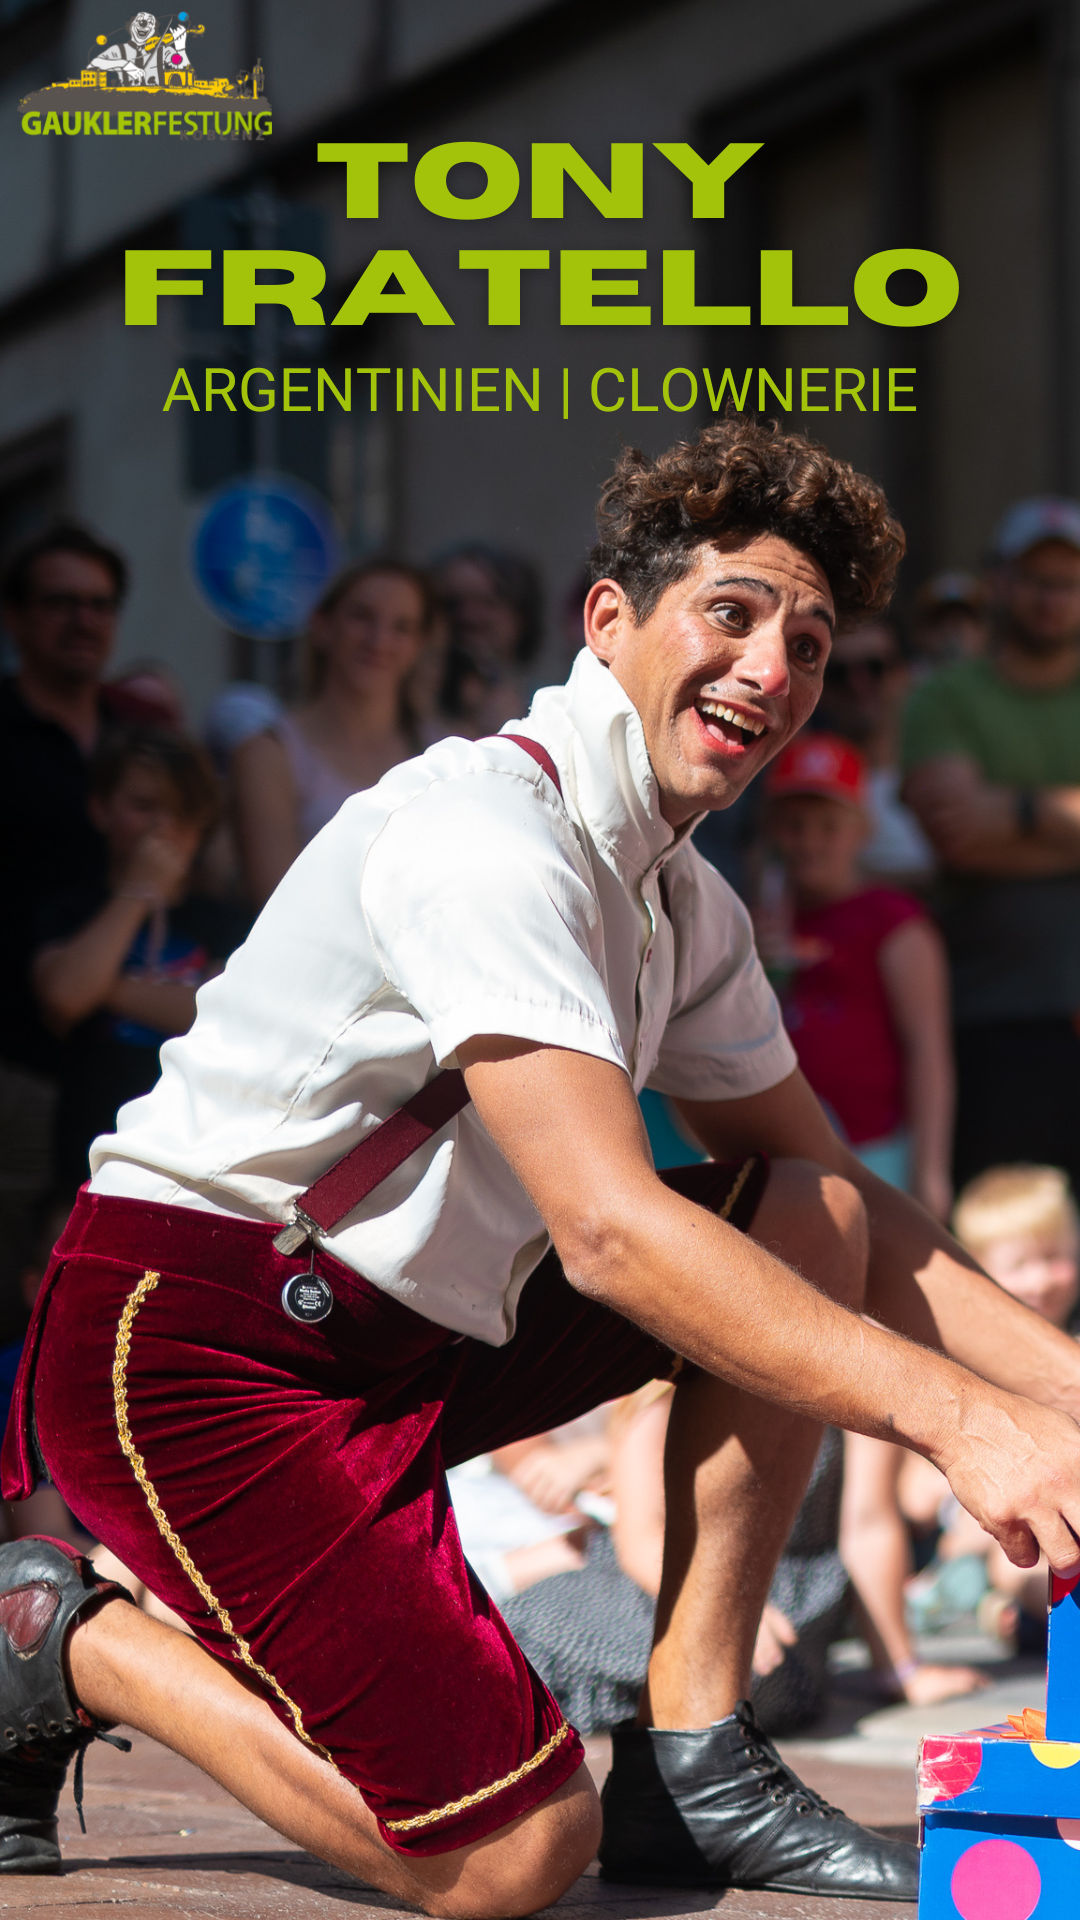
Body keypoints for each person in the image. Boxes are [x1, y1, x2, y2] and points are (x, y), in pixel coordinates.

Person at [10, 424, 1080, 1915]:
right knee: (512, 1856)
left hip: (416, 1333)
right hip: (193, 1346)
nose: (771, 669)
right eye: (732, 613)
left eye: (809, 643)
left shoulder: (682, 899)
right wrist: (965, 1423)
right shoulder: (486, 836)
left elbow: (837, 1197)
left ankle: (694, 1762)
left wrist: (1062, 1396)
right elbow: (611, 1234)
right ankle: (56, 1643)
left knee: (810, 1209)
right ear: (609, 619)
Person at [902, 496, 1080, 1196]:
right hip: (995, 1015)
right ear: (999, 582)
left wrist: (1018, 811)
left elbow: (984, 827)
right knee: (1010, 1231)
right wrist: (1054, 815)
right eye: (1036, 579)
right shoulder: (943, 698)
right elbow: (960, 838)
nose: (1052, 598)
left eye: (1067, 582)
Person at [31, 729, 248, 1194]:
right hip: (83, 1162)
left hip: (193, 1166)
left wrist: (100, 987)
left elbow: (220, 1014)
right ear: (100, 808)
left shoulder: (226, 924)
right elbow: (63, 996)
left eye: (182, 812)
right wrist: (137, 890)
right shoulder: (68, 913)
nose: (162, 827)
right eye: (143, 806)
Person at [761, 732, 953, 1216]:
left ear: (862, 829)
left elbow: (928, 1051)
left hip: (878, 1156)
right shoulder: (756, 922)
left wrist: (930, 1172)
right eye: (794, 825)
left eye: (829, 826)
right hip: (782, 1163)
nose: (810, 842)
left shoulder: (894, 920)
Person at [902, 1165, 1080, 1649]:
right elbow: (914, 1497)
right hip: (985, 1541)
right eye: (1019, 1264)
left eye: (1054, 1257)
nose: (1040, 1279)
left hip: (1058, 1529)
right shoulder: (963, 1372)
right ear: (977, 1274)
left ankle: (1018, 1616)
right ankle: (1001, 1608)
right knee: (1015, 1557)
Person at [230, 561, 437, 906]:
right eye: (362, 617)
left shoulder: (445, 753)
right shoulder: (269, 756)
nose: (379, 640)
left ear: (418, 646)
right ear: (322, 625)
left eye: (402, 627)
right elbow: (278, 903)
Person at [814, 619, 935, 885]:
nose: (857, 684)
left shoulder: (942, 772)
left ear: (904, 676)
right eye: (839, 673)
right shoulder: (801, 781)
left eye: (874, 667)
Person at [433, 544, 543, 738]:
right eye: (453, 603)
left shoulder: (545, 706)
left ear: (520, 615)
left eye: (486, 602)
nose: (468, 616)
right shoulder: (411, 707)